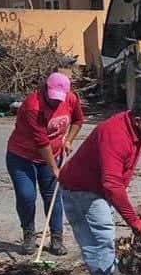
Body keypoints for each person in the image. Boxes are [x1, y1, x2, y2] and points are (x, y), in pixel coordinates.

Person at [59, 97, 141, 275]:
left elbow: (134, 140)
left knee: (103, 242)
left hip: (97, 191)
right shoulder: (115, 135)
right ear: (138, 121)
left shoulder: (130, 125)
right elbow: (112, 185)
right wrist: (134, 221)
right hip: (82, 192)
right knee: (99, 244)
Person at [6, 72, 84, 255]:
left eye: (59, 98)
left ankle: (56, 238)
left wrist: (68, 140)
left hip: (52, 155)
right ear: (45, 89)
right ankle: (29, 234)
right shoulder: (33, 105)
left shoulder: (71, 99)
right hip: (22, 157)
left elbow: (78, 120)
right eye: (52, 97)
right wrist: (55, 168)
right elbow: (41, 142)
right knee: (26, 195)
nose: (55, 102)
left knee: (53, 196)